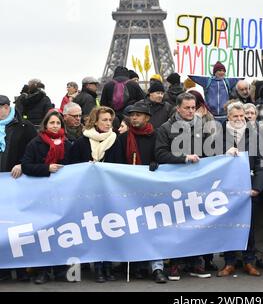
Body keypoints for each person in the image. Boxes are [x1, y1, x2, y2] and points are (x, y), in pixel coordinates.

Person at [155, 92, 214, 280]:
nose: (190, 111)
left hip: (197, 182)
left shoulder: (202, 126)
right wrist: (183, 159)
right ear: (178, 108)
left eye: (193, 107)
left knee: (196, 221)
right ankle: (175, 263)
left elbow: (212, 150)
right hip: (176, 183)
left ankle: (196, 262)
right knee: (177, 223)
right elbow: (160, 154)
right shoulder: (166, 128)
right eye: (187, 107)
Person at [114, 102, 167, 283]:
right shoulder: (122, 139)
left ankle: (157, 267)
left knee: (153, 228)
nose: (134, 117)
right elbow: (115, 165)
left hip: (152, 190)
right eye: (132, 115)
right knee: (133, 228)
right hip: (128, 191)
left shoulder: (157, 135)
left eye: (138, 115)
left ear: (147, 118)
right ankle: (135, 264)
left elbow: (163, 155)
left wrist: (156, 163)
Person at [69, 107, 120, 282]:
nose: (107, 123)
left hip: (109, 192)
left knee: (109, 229)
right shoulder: (82, 142)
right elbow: (71, 166)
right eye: (104, 120)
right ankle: (98, 267)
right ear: (95, 121)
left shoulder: (116, 139)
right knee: (94, 230)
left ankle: (108, 266)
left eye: (109, 120)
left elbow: (122, 165)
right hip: (87, 193)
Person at [217, 102, 263, 277]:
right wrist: (224, 151)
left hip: (249, 188)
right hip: (226, 189)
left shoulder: (254, 135)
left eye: (241, 116)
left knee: (249, 227)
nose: (239, 119)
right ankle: (229, 263)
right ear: (228, 117)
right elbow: (210, 159)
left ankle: (249, 261)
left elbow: (262, 164)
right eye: (235, 116)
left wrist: (257, 187)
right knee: (228, 226)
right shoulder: (218, 135)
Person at [21, 110, 71, 284]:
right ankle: (42, 270)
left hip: (62, 195)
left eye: (58, 123)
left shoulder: (68, 143)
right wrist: (47, 169)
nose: (55, 126)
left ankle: (60, 270)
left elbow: (75, 167)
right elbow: (26, 166)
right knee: (43, 233)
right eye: (52, 123)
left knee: (60, 232)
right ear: (45, 125)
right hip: (41, 195)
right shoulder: (35, 143)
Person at [0, 95, 37, 282]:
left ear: (6, 107)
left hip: (17, 184)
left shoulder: (25, 126)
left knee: (18, 227)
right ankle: (4, 269)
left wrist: (22, 164)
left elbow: (35, 150)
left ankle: (22, 268)